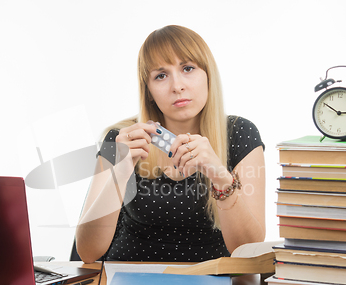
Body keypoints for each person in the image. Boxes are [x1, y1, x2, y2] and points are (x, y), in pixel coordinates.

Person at [76, 25, 265, 264]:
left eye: (188, 68)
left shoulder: (240, 133)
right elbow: (88, 252)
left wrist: (220, 176)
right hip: (128, 282)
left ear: (208, 75)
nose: (177, 86)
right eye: (161, 75)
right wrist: (121, 173)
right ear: (149, 91)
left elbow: (250, 251)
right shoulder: (122, 138)